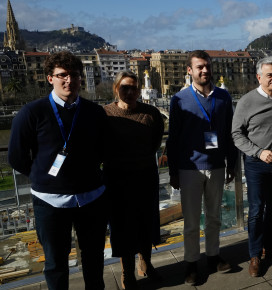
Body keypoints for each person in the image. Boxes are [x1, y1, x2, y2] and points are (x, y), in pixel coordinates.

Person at [8, 51, 108, 290]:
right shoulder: (32, 112)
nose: (69, 80)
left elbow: (105, 149)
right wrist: (43, 178)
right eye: (62, 75)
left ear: (80, 78)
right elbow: (16, 157)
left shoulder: (94, 112)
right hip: (50, 201)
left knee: (94, 259)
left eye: (74, 75)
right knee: (55, 264)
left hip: (91, 198)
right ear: (50, 78)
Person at [166, 50, 237, 285]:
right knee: (191, 220)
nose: (205, 70)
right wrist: (173, 171)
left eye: (207, 66)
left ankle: (214, 256)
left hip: (217, 166)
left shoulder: (224, 98)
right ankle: (191, 263)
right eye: (199, 67)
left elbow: (229, 134)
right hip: (189, 169)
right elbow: (173, 138)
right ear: (190, 71)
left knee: (215, 216)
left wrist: (232, 164)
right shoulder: (179, 99)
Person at [232, 57, 272, 277]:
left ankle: (270, 248)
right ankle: (254, 254)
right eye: (269, 75)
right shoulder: (247, 101)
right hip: (256, 164)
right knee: (257, 210)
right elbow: (236, 134)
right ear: (259, 77)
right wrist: (259, 152)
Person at [103, 71, 164, 289]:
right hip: (117, 179)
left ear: (139, 90)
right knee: (122, 227)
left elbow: (156, 141)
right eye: (125, 87)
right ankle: (127, 272)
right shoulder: (106, 114)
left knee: (146, 222)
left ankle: (146, 263)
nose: (129, 92)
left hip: (145, 176)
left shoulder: (151, 113)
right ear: (116, 88)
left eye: (134, 88)